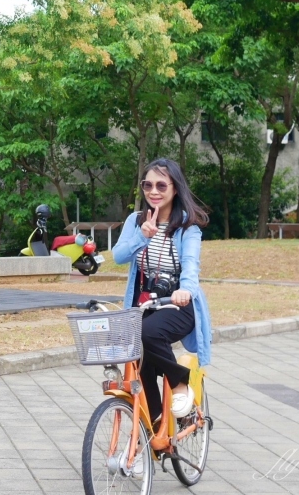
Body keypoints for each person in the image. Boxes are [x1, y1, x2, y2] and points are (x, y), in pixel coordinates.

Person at [112, 158, 212, 423]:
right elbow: (118, 256)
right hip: (144, 304)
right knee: (137, 358)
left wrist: (186, 291)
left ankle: (180, 382)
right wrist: (142, 236)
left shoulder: (187, 227)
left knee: (149, 332)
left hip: (177, 304)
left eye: (160, 185)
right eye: (148, 185)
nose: (153, 191)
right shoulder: (136, 221)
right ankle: (155, 425)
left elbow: (191, 267)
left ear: (175, 188)